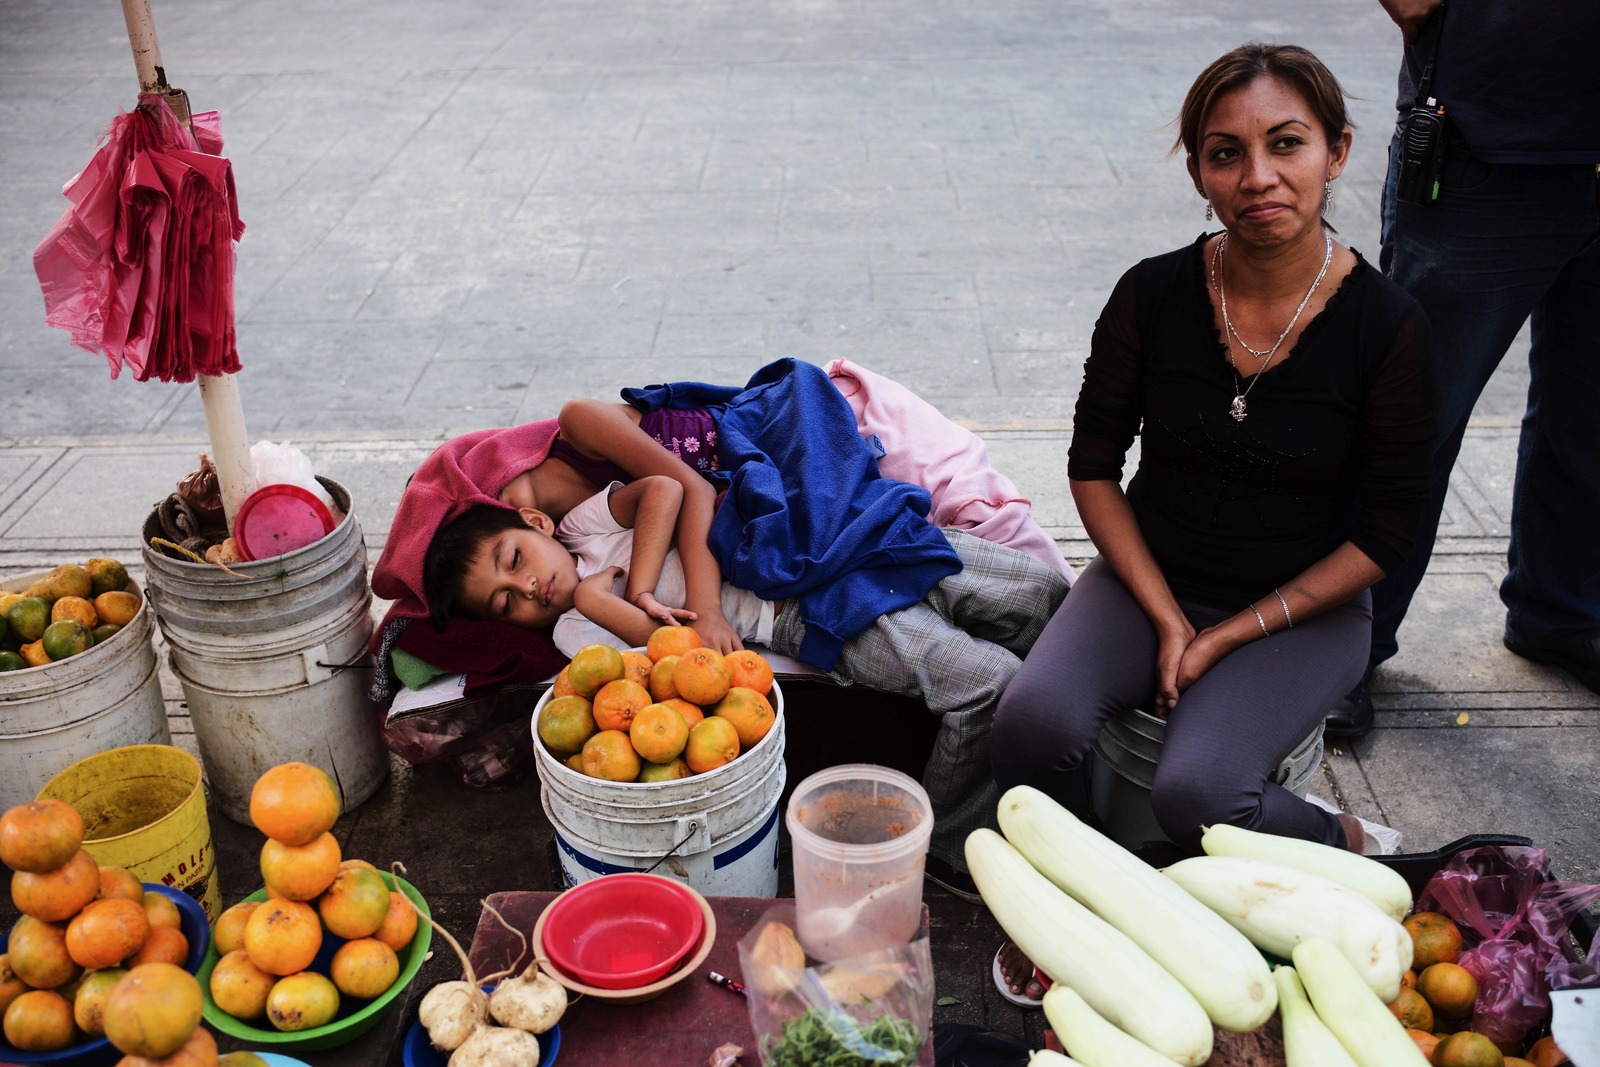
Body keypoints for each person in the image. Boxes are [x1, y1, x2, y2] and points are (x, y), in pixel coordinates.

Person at [987, 41, 1435, 1002]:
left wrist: (1225, 634)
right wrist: (1165, 617)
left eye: (1287, 144)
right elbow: (1094, 469)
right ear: (1198, 171)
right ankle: (1089, 895)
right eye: (1226, 153)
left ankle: (1346, 838)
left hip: (1305, 603)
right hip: (1154, 568)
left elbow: (1387, 536)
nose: (1259, 177)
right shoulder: (1152, 293)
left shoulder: (1388, 326)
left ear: (1339, 151)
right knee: (1029, 723)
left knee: (1200, 794)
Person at [425, 476, 1071, 898]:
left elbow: (667, 489)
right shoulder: (576, 636)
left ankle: (1102, 719)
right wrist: (600, 603)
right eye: (507, 604)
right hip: (805, 616)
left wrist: (640, 578)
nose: (527, 590)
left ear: (535, 523)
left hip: (827, 542)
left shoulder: (586, 525)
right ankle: (951, 850)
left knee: (1041, 592)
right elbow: (678, 662)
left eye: (514, 562)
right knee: (988, 683)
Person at [1325, 0, 1600, 738]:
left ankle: (1560, 612)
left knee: (1589, 414)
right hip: (1488, 131)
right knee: (1413, 415)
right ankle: (1344, 644)